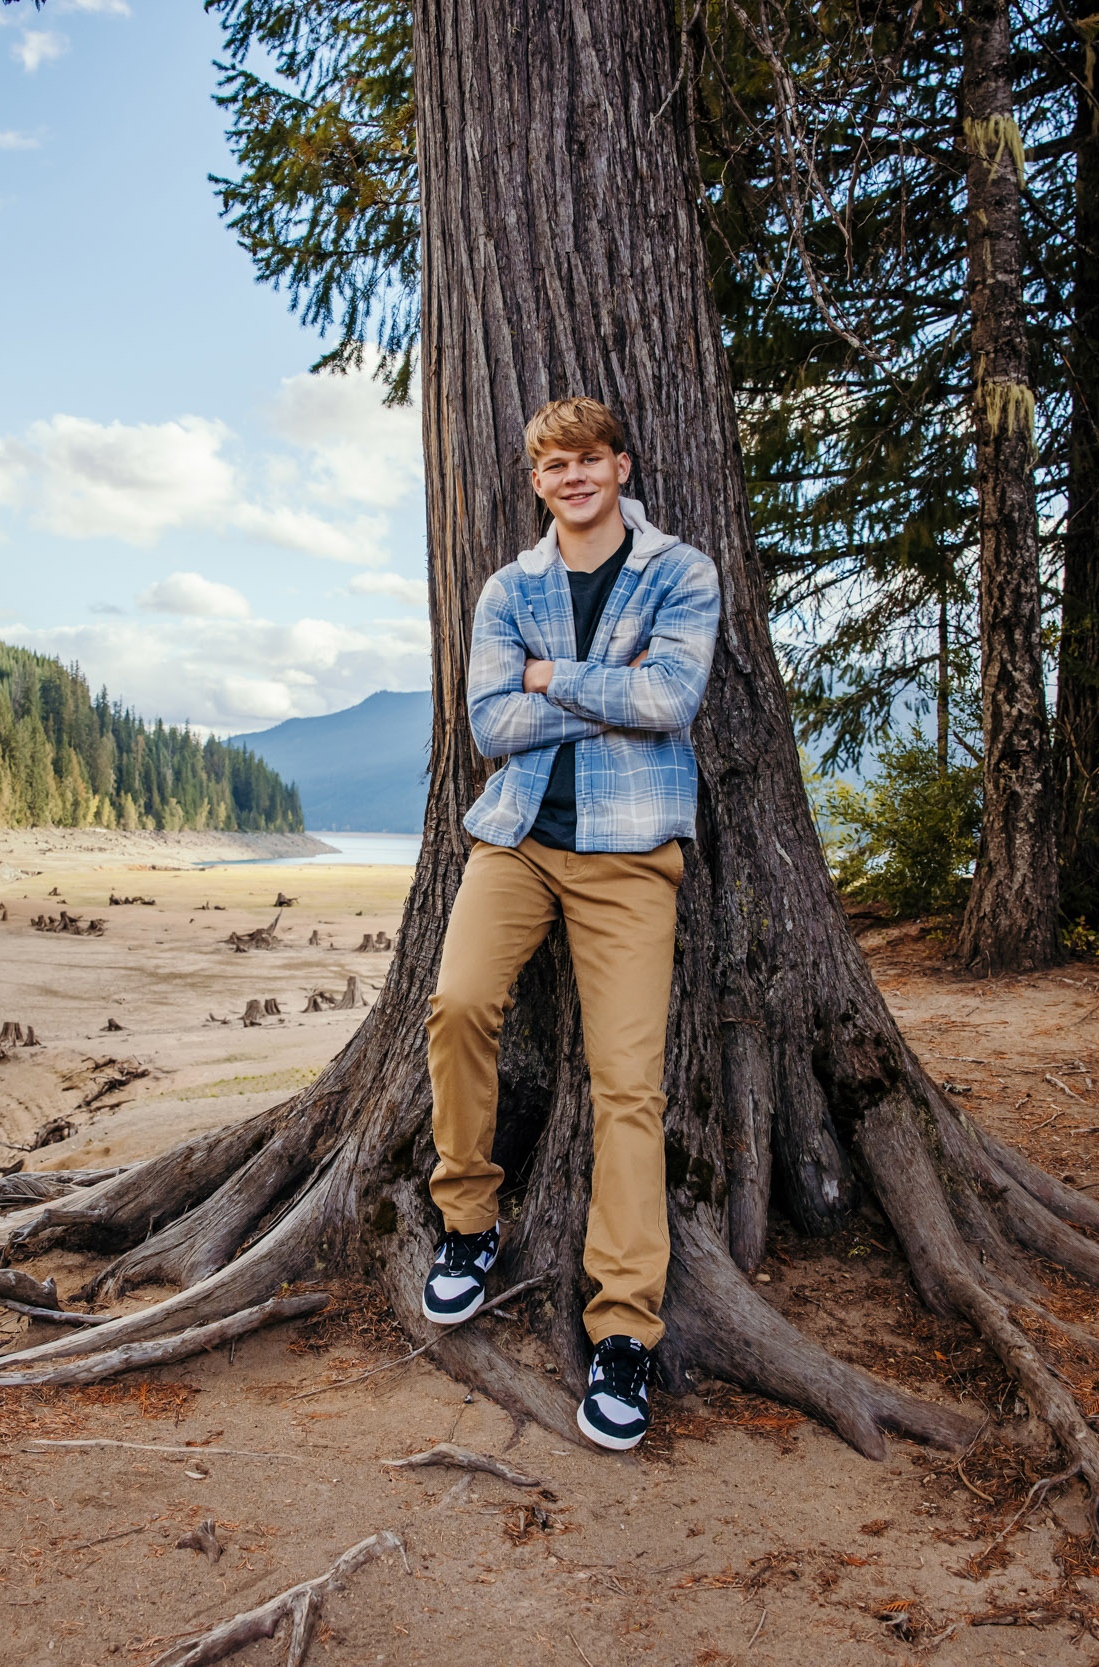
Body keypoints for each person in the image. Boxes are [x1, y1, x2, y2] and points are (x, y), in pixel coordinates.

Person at [420, 395, 720, 1452]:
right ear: (537, 480)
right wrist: (606, 688)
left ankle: (624, 1329)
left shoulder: (678, 571)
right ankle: (466, 1221)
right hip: (517, 837)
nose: (573, 476)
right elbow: (491, 721)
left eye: (589, 459)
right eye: (554, 464)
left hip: (632, 849)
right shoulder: (510, 587)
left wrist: (554, 677)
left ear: (621, 466)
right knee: (457, 1001)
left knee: (627, 1083)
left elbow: (674, 698)